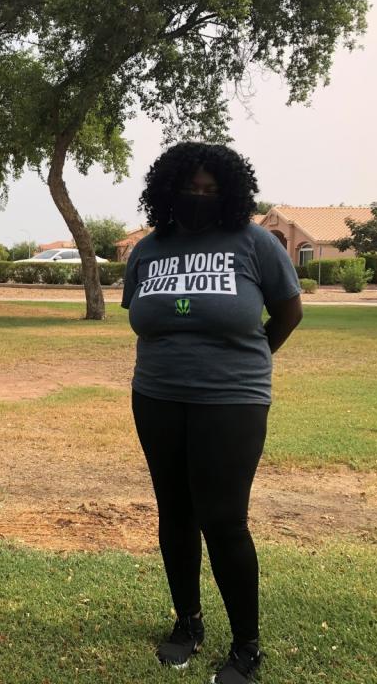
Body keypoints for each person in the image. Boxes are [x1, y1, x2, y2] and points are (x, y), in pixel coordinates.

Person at [122, 142, 302, 684]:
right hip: (155, 395)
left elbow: (288, 312)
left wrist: (245, 364)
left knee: (222, 520)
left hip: (232, 401)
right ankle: (187, 623)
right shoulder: (149, 249)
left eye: (210, 190)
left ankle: (246, 647)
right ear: (166, 191)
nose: (198, 199)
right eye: (189, 189)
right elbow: (143, 313)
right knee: (174, 512)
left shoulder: (254, 243)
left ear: (229, 193)